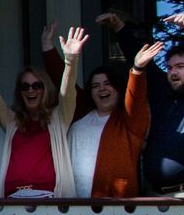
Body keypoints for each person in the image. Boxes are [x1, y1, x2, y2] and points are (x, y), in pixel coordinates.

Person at [106, 11, 184, 195]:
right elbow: (143, 64)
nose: (173, 72)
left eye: (180, 67)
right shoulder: (165, 96)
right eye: (170, 67)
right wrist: (119, 28)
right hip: (159, 198)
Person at [0, 28, 85, 197]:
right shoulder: (12, 120)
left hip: (50, 202)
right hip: (13, 201)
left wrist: (70, 61)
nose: (31, 90)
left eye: (36, 85)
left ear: (45, 88)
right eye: (25, 86)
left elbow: (67, 93)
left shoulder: (58, 118)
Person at [65, 41, 162, 198]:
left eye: (107, 83)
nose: (102, 88)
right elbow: (65, 86)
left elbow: (136, 99)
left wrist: (137, 70)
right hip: (75, 208)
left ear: (118, 88)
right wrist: (48, 48)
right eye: (95, 86)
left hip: (116, 208)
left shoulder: (129, 122)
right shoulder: (80, 115)